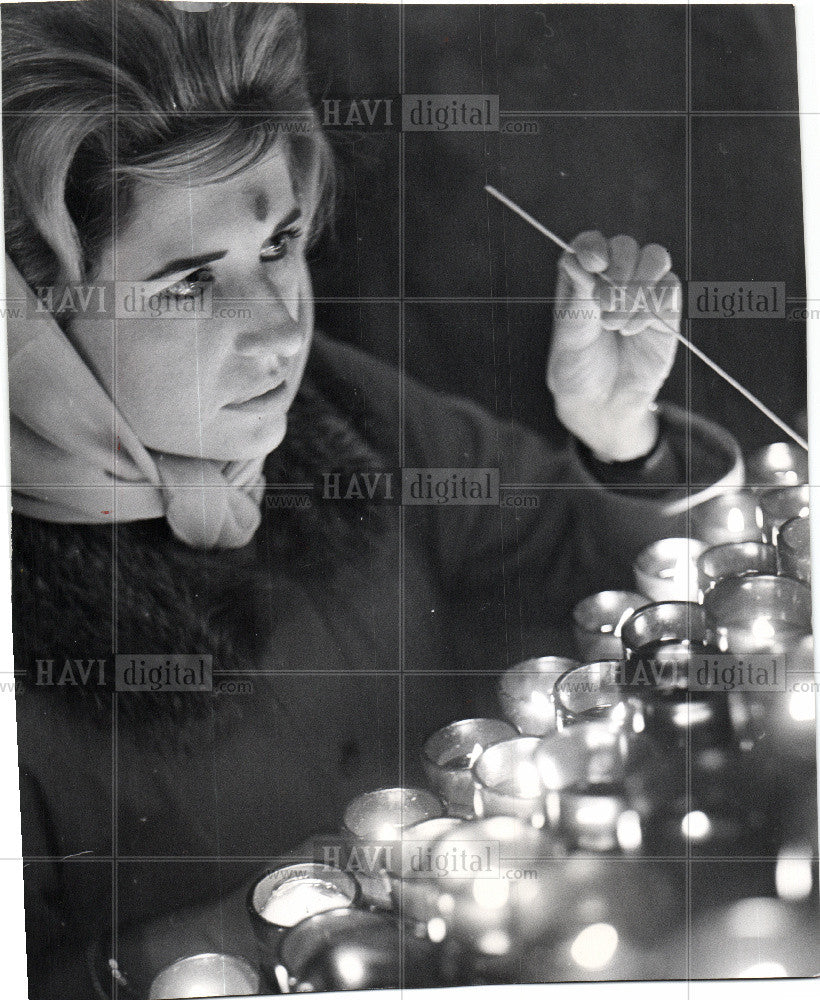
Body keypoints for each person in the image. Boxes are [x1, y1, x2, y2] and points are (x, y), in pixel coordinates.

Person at [2, 1, 742, 996]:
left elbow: (619, 594)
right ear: (34, 315)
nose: (276, 332)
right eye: (186, 283)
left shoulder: (341, 404)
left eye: (276, 246)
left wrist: (619, 439)